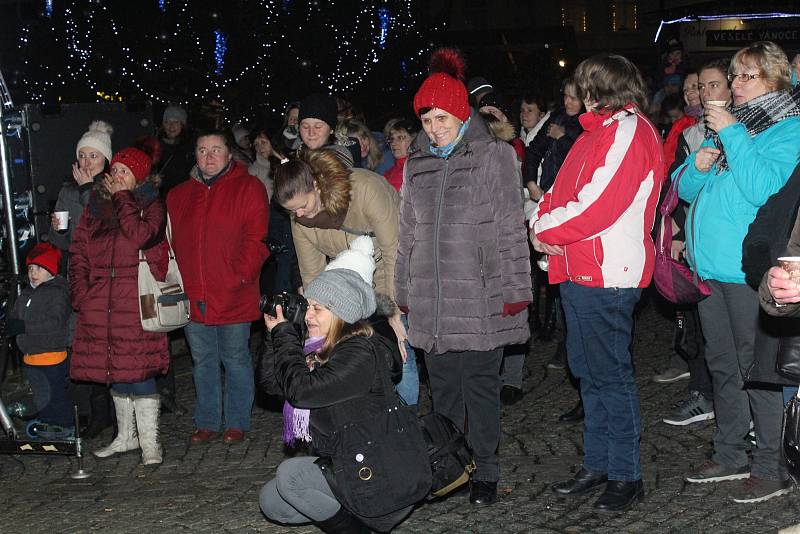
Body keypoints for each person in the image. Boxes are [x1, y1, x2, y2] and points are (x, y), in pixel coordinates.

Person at [396, 47, 531, 506]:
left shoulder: (494, 157)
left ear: (460, 112)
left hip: (479, 297)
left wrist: (515, 290)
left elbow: (512, 227)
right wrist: (402, 292)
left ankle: (487, 470)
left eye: (440, 118)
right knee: (445, 392)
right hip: (432, 300)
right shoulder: (417, 165)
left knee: (480, 389)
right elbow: (407, 233)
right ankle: (450, 466)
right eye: (426, 119)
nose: (433, 128)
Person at [531, 53, 664, 511]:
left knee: (610, 377)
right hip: (580, 269)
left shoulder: (629, 130)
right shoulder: (598, 132)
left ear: (599, 89)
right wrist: (544, 222)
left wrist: (543, 230)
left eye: (585, 86)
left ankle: (626, 474)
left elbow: (597, 206)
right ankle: (599, 463)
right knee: (589, 374)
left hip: (608, 274)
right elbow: (557, 192)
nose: (580, 95)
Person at [677, 42, 800, 503]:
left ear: (774, 79)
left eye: (747, 75)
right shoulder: (734, 128)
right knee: (722, 365)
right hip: (709, 269)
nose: (735, 84)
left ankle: (770, 464)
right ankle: (729, 453)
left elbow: (763, 189)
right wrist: (696, 163)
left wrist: (731, 136)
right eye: (735, 75)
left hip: (748, 273)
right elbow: (685, 190)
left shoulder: (788, 129)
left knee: (758, 370)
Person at [258, 238, 413, 533]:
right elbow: (271, 385)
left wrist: (286, 337)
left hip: (380, 470)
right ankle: (352, 512)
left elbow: (301, 391)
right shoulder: (318, 348)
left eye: (318, 308)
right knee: (272, 501)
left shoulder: (360, 353)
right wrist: (273, 337)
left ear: (342, 313)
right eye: (309, 306)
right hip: (347, 460)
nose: (308, 315)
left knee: (290, 475)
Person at [273, 149, 419, 406]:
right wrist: (315, 324)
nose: (300, 216)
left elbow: (394, 251)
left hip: (392, 274)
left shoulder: (365, 189)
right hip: (349, 287)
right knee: (350, 355)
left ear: (316, 185)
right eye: (292, 212)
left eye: (303, 206)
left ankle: (405, 421)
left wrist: (393, 313)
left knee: (399, 350)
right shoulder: (300, 220)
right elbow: (312, 275)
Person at [167, 130, 269, 445]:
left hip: (233, 292)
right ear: (194, 155)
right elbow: (169, 243)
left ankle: (237, 421)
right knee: (203, 360)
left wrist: (239, 276)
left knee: (235, 357)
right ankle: (207, 420)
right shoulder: (178, 195)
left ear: (229, 154)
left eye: (216, 149)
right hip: (194, 293)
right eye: (202, 150)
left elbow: (256, 239)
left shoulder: (249, 188)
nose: (209, 156)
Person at [69, 144, 169, 465]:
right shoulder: (95, 207)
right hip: (102, 301)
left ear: (137, 177)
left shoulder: (150, 203)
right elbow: (79, 251)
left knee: (139, 369)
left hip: (137, 300)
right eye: (115, 171)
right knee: (114, 369)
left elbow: (142, 235)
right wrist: (81, 293)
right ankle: (125, 436)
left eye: (124, 172)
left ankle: (150, 443)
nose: (116, 176)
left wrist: (123, 198)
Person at [658, 60, 732, 427]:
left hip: (727, 250)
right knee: (700, 329)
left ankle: (729, 409)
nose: (701, 94)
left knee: (734, 345)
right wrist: (675, 226)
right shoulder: (689, 133)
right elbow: (678, 186)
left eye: (709, 85)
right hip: (696, 242)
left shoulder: (739, 128)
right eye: (697, 87)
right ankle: (705, 394)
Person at [48, 120, 115, 439]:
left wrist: (89, 191)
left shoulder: (113, 188)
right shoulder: (66, 190)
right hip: (78, 277)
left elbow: (105, 225)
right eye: (83, 155)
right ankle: (90, 410)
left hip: (107, 277)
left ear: (106, 160)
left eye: (94, 156)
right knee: (81, 345)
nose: (87, 162)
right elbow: (60, 240)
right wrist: (58, 228)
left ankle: (112, 411)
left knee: (108, 345)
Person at [524, 78, 584, 343]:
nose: (569, 102)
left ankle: (564, 329)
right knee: (543, 264)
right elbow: (533, 150)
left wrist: (561, 139)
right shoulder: (556, 118)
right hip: (544, 196)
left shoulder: (586, 123)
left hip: (569, 200)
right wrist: (531, 183)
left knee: (566, 266)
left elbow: (579, 159)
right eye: (566, 96)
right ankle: (546, 321)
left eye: (574, 97)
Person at [7, 243, 73, 439]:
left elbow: (54, 322)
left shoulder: (57, 292)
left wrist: (25, 326)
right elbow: (16, 314)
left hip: (51, 356)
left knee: (55, 396)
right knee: (41, 397)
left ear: (51, 270)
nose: (33, 273)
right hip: (31, 357)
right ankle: (48, 425)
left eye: (39, 268)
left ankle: (64, 426)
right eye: (30, 269)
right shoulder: (27, 293)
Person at [297, 93, 361, 167]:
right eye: (305, 127)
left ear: (331, 129)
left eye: (318, 127)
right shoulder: (298, 152)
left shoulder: (340, 156)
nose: (311, 133)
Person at [156, 105, 194, 198]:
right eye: (167, 121)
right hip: (160, 200)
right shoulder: (154, 145)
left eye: (176, 122)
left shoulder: (191, 148)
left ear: (182, 125)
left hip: (182, 198)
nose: (171, 126)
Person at [382, 118, 416, 192]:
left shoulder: (421, 167)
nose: (393, 143)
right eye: (391, 139)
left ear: (413, 139)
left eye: (400, 138)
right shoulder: (387, 174)